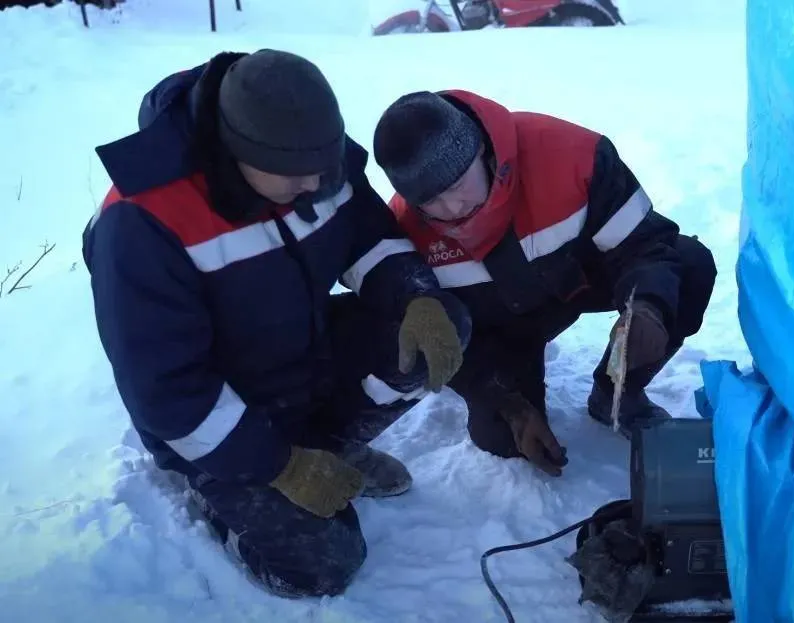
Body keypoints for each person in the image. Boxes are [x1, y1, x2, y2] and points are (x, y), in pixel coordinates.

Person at [81, 50, 472, 598]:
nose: (317, 183)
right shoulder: (142, 224)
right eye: (296, 175)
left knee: (439, 328)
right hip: (216, 420)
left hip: (301, 358)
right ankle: (218, 495)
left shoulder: (312, 159)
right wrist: (281, 467)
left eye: (325, 166)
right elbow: (168, 394)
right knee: (327, 564)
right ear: (240, 152)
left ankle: (329, 445)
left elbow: (368, 236)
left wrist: (416, 296)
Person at [372, 89, 717, 477]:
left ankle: (617, 394)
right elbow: (446, 336)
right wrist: (506, 402)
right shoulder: (404, 234)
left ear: (482, 152)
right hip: (501, 326)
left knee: (688, 267)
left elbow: (646, 243)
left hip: (577, 280)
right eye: (431, 201)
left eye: (457, 184)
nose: (452, 207)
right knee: (506, 440)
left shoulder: (571, 155)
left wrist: (649, 308)